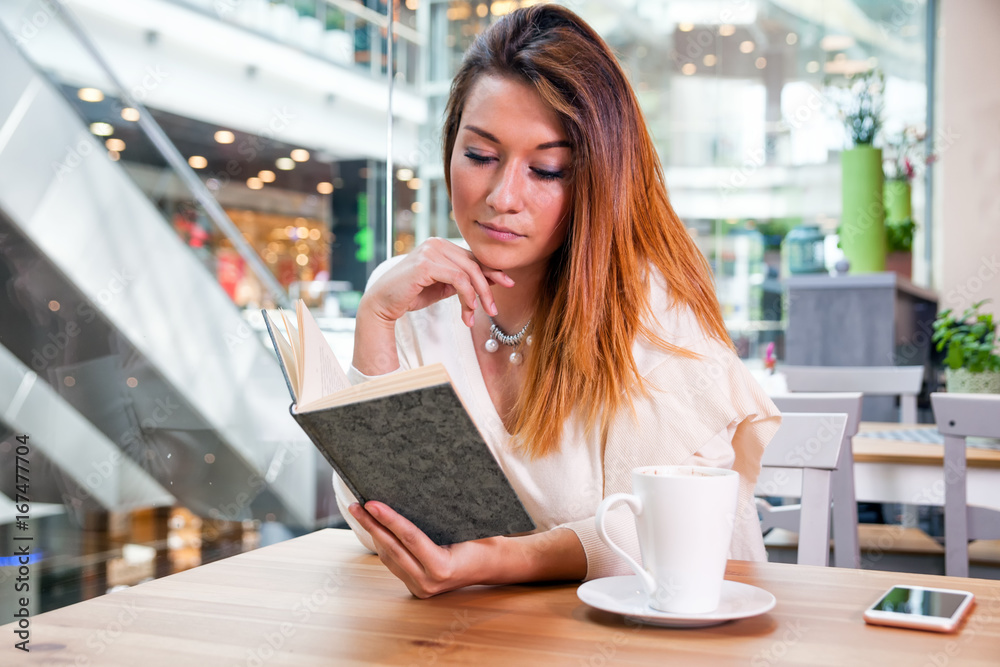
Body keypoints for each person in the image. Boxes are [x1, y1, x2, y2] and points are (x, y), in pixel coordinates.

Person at [336, 4, 780, 598]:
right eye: (480, 156)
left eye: (546, 170)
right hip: (486, 640)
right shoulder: (416, 294)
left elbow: (658, 528)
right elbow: (377, 520)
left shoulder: (649, 304)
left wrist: (498, 561)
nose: (501, 197)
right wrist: (377, 319)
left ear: (599, 180)